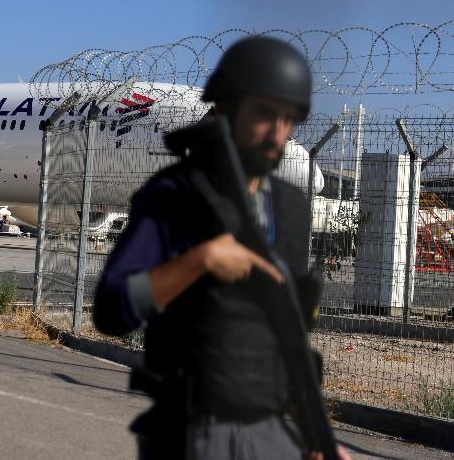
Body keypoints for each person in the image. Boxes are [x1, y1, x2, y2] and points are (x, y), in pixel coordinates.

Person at [93, 36, 350, 460]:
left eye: (289, 120)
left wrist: (314, 434)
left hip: (270, 432)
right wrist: (200, 261)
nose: (277, 133)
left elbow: (284, 335)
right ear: (224, 109)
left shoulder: (290, 208)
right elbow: (111, 310)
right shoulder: (175, 195)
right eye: (265, 114)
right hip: (195, 431)